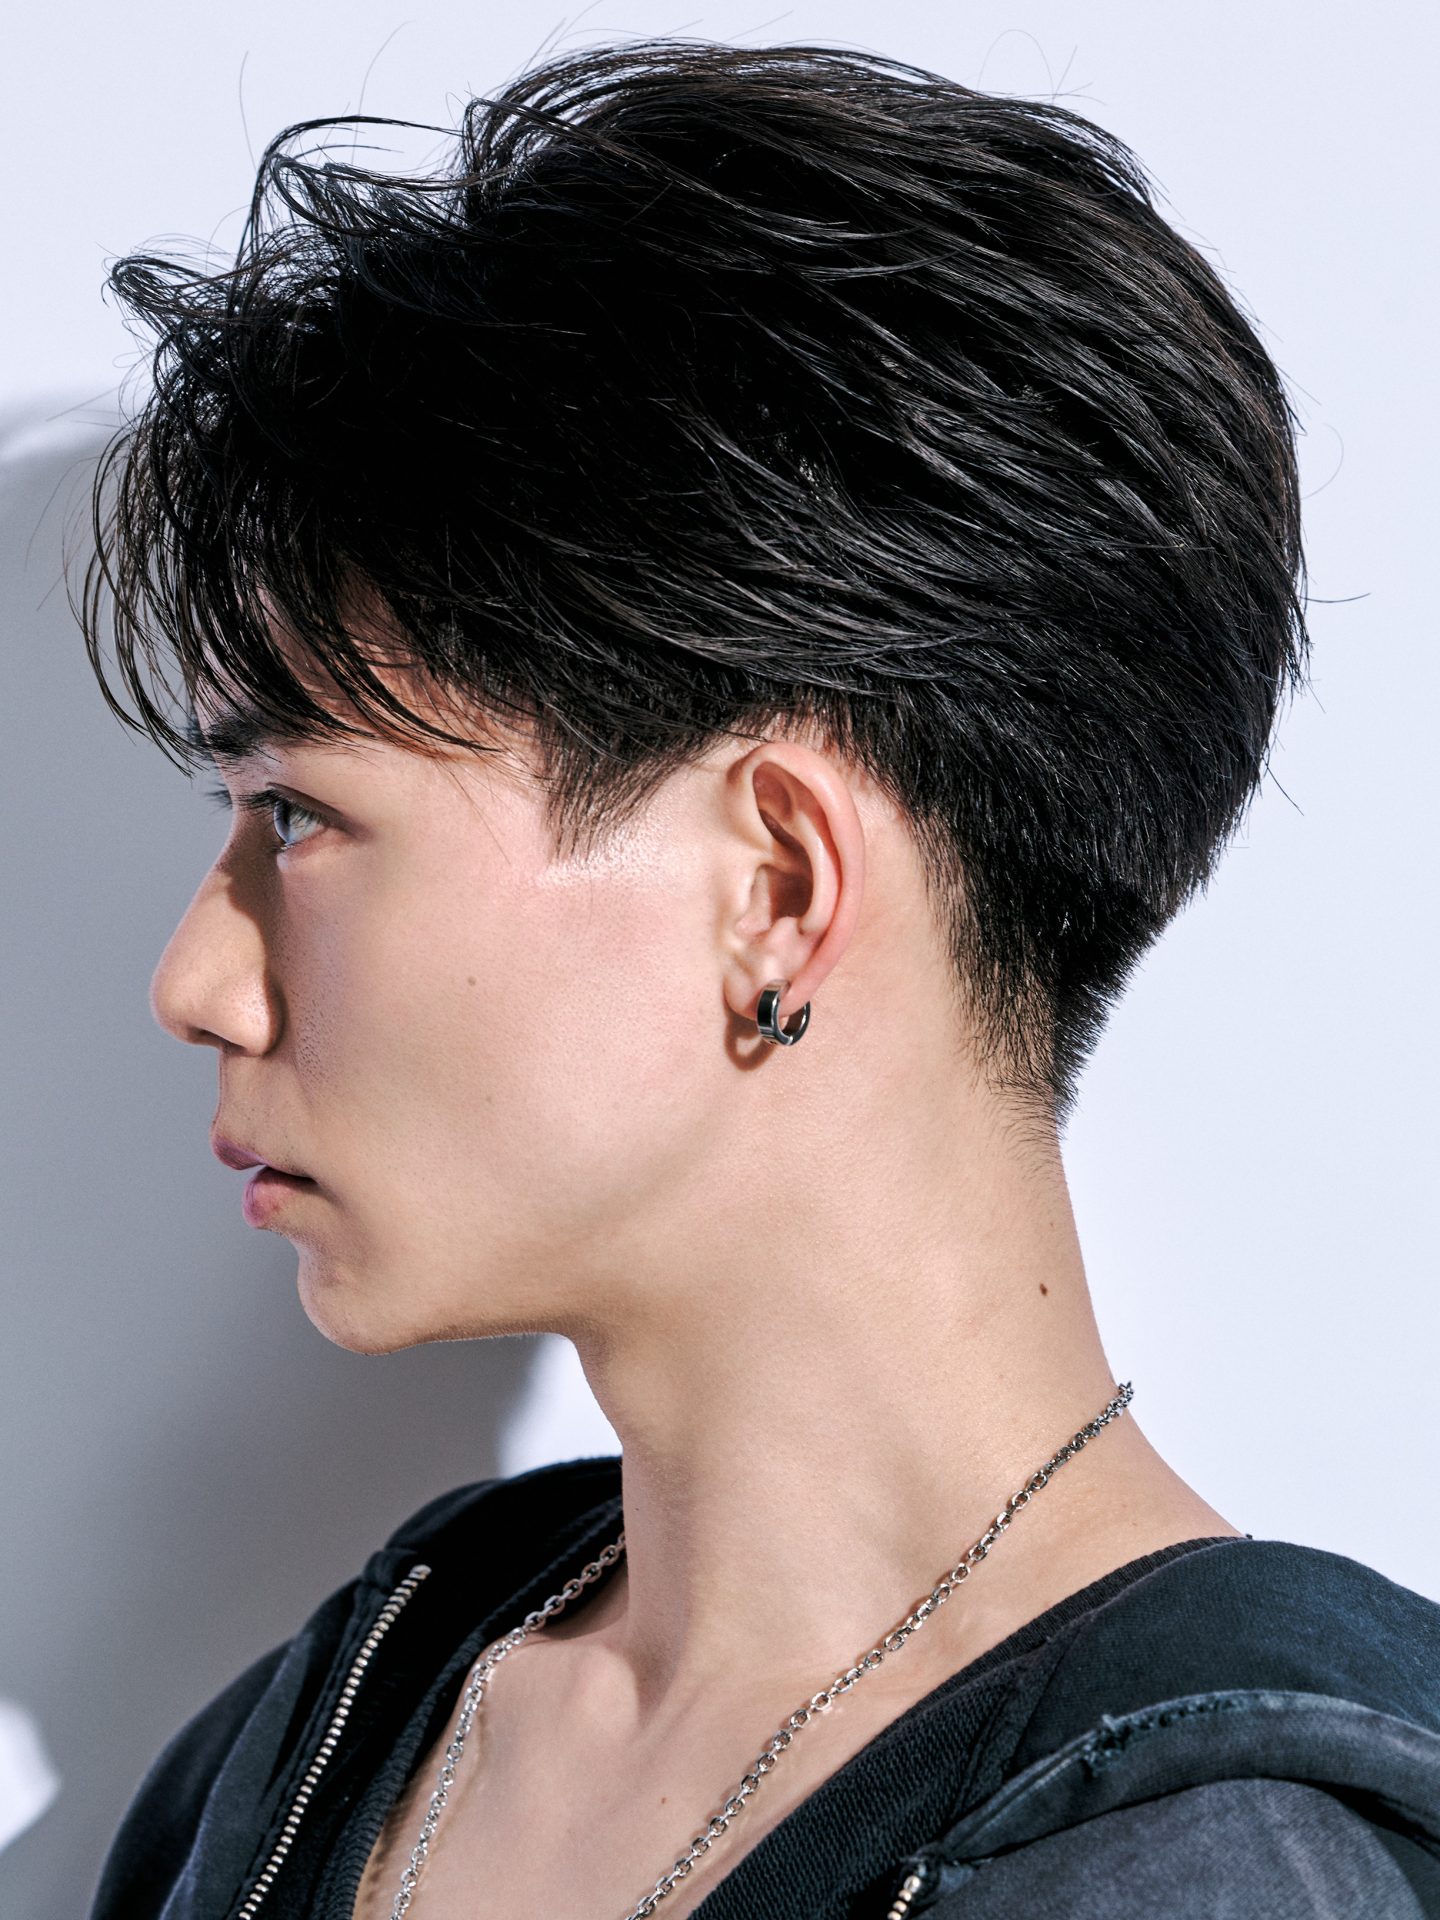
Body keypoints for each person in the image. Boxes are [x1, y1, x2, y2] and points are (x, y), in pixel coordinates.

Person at [78, 39, 1440, 1920]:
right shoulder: (335, 1726)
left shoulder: (1211, 1866)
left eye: (299, 816)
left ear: (777, 890)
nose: (197, 982)